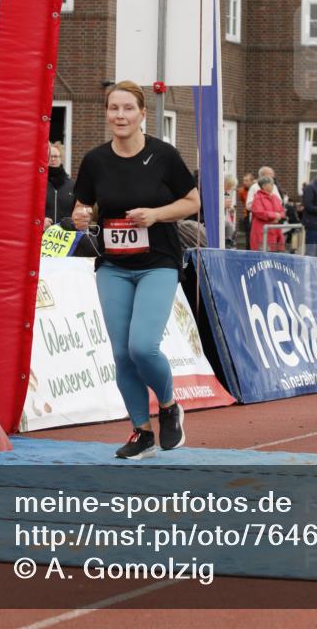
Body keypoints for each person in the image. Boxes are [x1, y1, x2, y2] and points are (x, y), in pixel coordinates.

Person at [71, 80, 200, 460]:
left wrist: (156, 214)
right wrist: (82, 216)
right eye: (114, 108)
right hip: (113, 265)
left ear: (143, 114)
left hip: (157, 262)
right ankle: (141, 432)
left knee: (143, 346)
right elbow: (88, 208)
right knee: (122, 355)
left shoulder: (163, 156)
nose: (120, 115)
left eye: (128, 108)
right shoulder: (95, 160)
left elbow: (192, 202)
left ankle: (169, 405)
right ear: (106, 113)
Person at [250, 175, 286, 252]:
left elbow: (282, 211)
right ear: (264, 186)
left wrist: (279, 216)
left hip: (275, 231)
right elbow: (259, 213)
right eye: (271, 184)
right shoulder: (257, 198)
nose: (273, 186)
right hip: (262, 231)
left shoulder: (275, 198)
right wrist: (274, 215)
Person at [44, 143, 75, 228]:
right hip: (44, 234)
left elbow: (77, 211)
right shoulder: (39, 184)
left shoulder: (72, 185)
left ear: (61, 159)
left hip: (66, 236)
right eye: (50, 156)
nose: (53, 159)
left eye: (56, 156)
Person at [237, 172, 254, 248]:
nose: (244, 182)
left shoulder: (255, 189)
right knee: (248, 234)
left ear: (252, 181)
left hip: (255, 214)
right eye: (244, 180)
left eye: (247, 180)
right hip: (247, 214)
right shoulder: (242, 191)